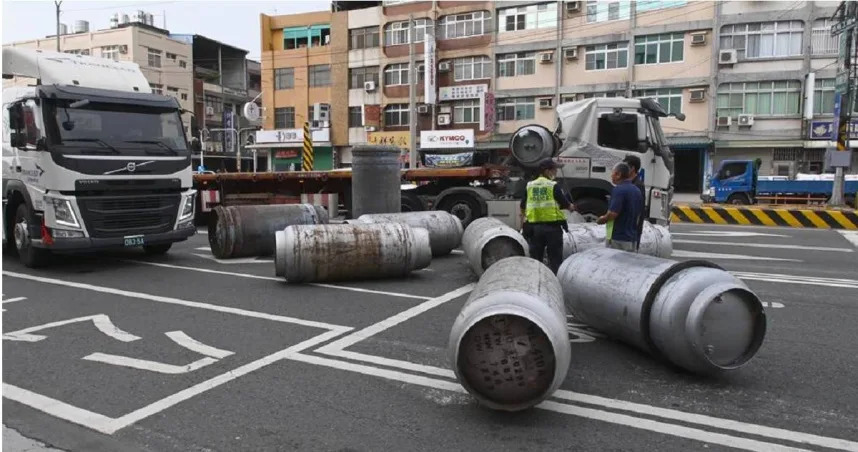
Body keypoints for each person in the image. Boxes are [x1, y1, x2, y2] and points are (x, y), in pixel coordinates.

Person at [520, 159, 575, 273]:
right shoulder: (553, 186)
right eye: (554, 169)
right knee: (555, 260)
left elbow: (522, 206)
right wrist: (571, 207)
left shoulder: (530, 185)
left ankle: (536, 282)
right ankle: (555, 282)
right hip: (552, 229)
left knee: (536, 260)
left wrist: (523, 221)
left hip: (534, 229)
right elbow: (565, 204)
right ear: (546, 171)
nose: (555, 172)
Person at [597, 162, 643, 252]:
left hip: (618, 238)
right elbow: (639, 214)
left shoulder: (619, 190)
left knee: (615, 264)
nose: (611, 176)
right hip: (632, 237)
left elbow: (613, 214)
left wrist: (602, 219)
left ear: (618, 175)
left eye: (613, 173)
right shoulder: (637, 190)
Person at [622, 155, 646, 250]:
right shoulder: (629, 183)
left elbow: (637, 211)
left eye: (625, 166)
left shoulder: (638, 186)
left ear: (632, 168)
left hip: (630, 232)